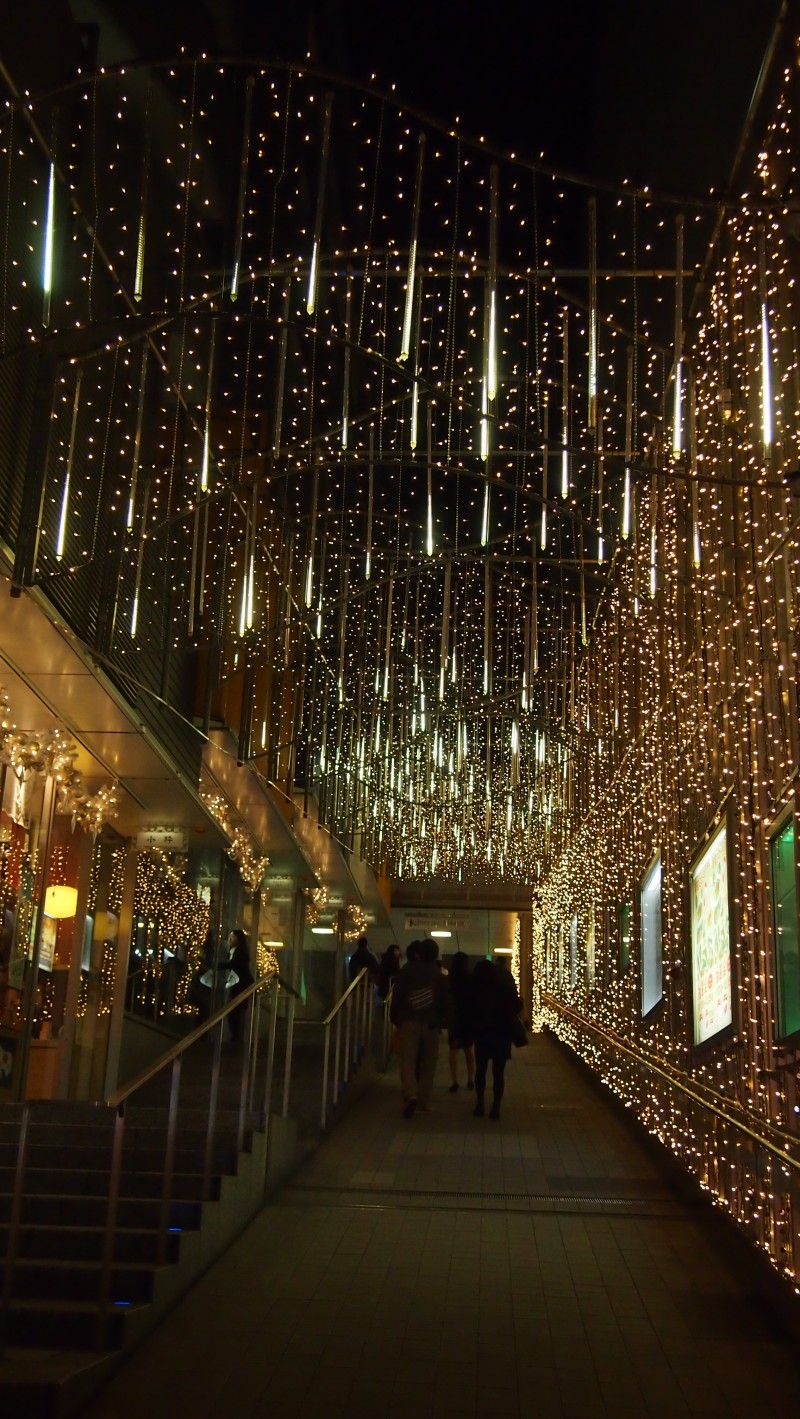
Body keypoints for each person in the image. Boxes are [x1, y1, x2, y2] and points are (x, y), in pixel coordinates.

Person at [390, 937, 452, 1118]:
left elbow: (397, 994)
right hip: (431, 1023)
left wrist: (395, 1017)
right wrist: (445, 1022)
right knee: (429, 1063)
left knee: (407, 1060)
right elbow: (446, 1001)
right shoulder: (439, 975)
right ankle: (423, 1101)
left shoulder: (407, 970)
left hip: (408, 1021)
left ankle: (411, 1094)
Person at [471, 958, 522, 1121]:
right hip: (502, 1033)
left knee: (481, 1069)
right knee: (498, 1073)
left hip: (482, 1034)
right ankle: (496, 1107)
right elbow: (517, 1005)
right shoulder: (503, 988)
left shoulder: (476, 990)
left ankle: (480, 1104)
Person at [447, 951, 475, 1092]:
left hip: (454, 1018)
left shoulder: (450, 980)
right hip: (467, 1017)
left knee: (453, 1050)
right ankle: (470, 1079)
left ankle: (454, 1081)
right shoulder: (470, 979)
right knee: (468, 1050)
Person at [226, 928, 254, 1042]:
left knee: (234, 1010)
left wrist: (218, 966)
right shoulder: (234, 951)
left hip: (241, 985)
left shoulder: (240, 952)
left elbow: (234, 965)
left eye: (232, 936)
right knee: (235, 1011)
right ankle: (236, 1036)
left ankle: (237, 1037)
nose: (229, 939)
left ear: (238, 938)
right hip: (236, 984)